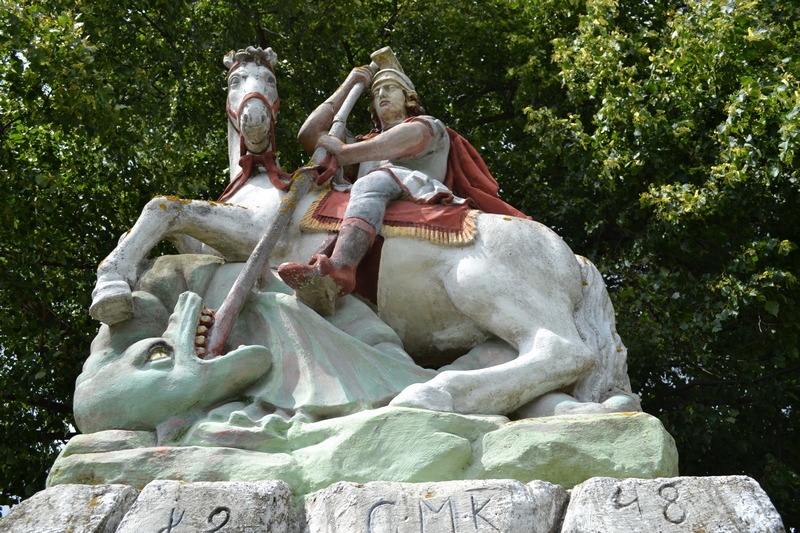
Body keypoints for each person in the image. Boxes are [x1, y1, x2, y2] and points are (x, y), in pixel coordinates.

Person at [278, 53, 527, 304]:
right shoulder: (364, 143)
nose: (381, 95)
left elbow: (410, 137)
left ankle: (341, 268)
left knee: (373, 180)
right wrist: (349, 84)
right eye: (376, 93)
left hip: (417, 189)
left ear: (409, 98)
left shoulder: (428, 124)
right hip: (364, 198)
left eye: (390, 88)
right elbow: (309, 134)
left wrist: (344, 152)